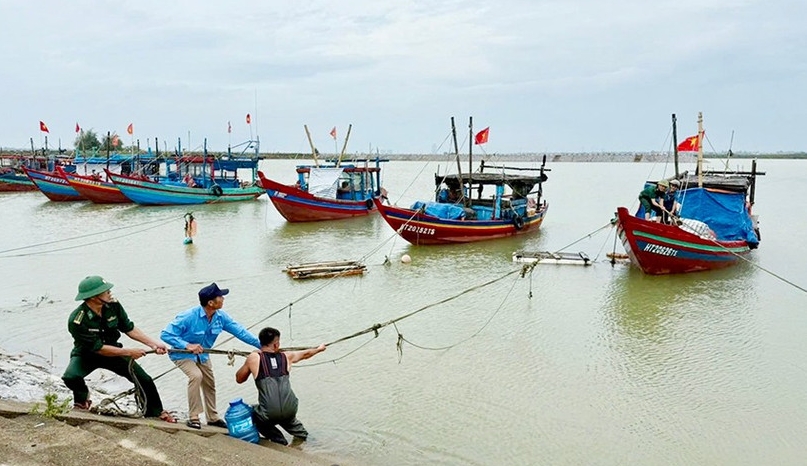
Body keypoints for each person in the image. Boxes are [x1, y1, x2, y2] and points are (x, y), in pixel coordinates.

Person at [62, 276, 176, 422]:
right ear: (93, 297)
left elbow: (128, 328)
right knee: (71, 377)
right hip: (87, 354)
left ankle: (154, 413)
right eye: (105, 291)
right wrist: (130, 352)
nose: (110, 293)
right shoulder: (77, 320)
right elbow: (99, 349)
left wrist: (153, 344)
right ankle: (82, 400)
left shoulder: (113, 306)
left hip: (114, 353)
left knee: (144, 379)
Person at [161, 282, 261, 429]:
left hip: (203, 356)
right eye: (220, 297)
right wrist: (187, 345)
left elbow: (240, 331)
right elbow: (166, 334)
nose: (223, 299)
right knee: (196, 376)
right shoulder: (188, 316)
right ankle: (194, 417)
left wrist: (262, 346)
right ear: (211, 302)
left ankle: (212, 418)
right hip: (182, 355)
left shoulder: (220, 317)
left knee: (210, 383)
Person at [235, 327, 326, 445]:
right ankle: (309, 441)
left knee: (248, 411)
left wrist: (249, 360)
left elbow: (239, 379)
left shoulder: (254, 358)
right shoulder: (287, 356)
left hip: (269, 413)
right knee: (296, 428)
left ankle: (278, 439)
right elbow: (306, 353)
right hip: (290, 409)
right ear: (276, 344)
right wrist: (319, 349)